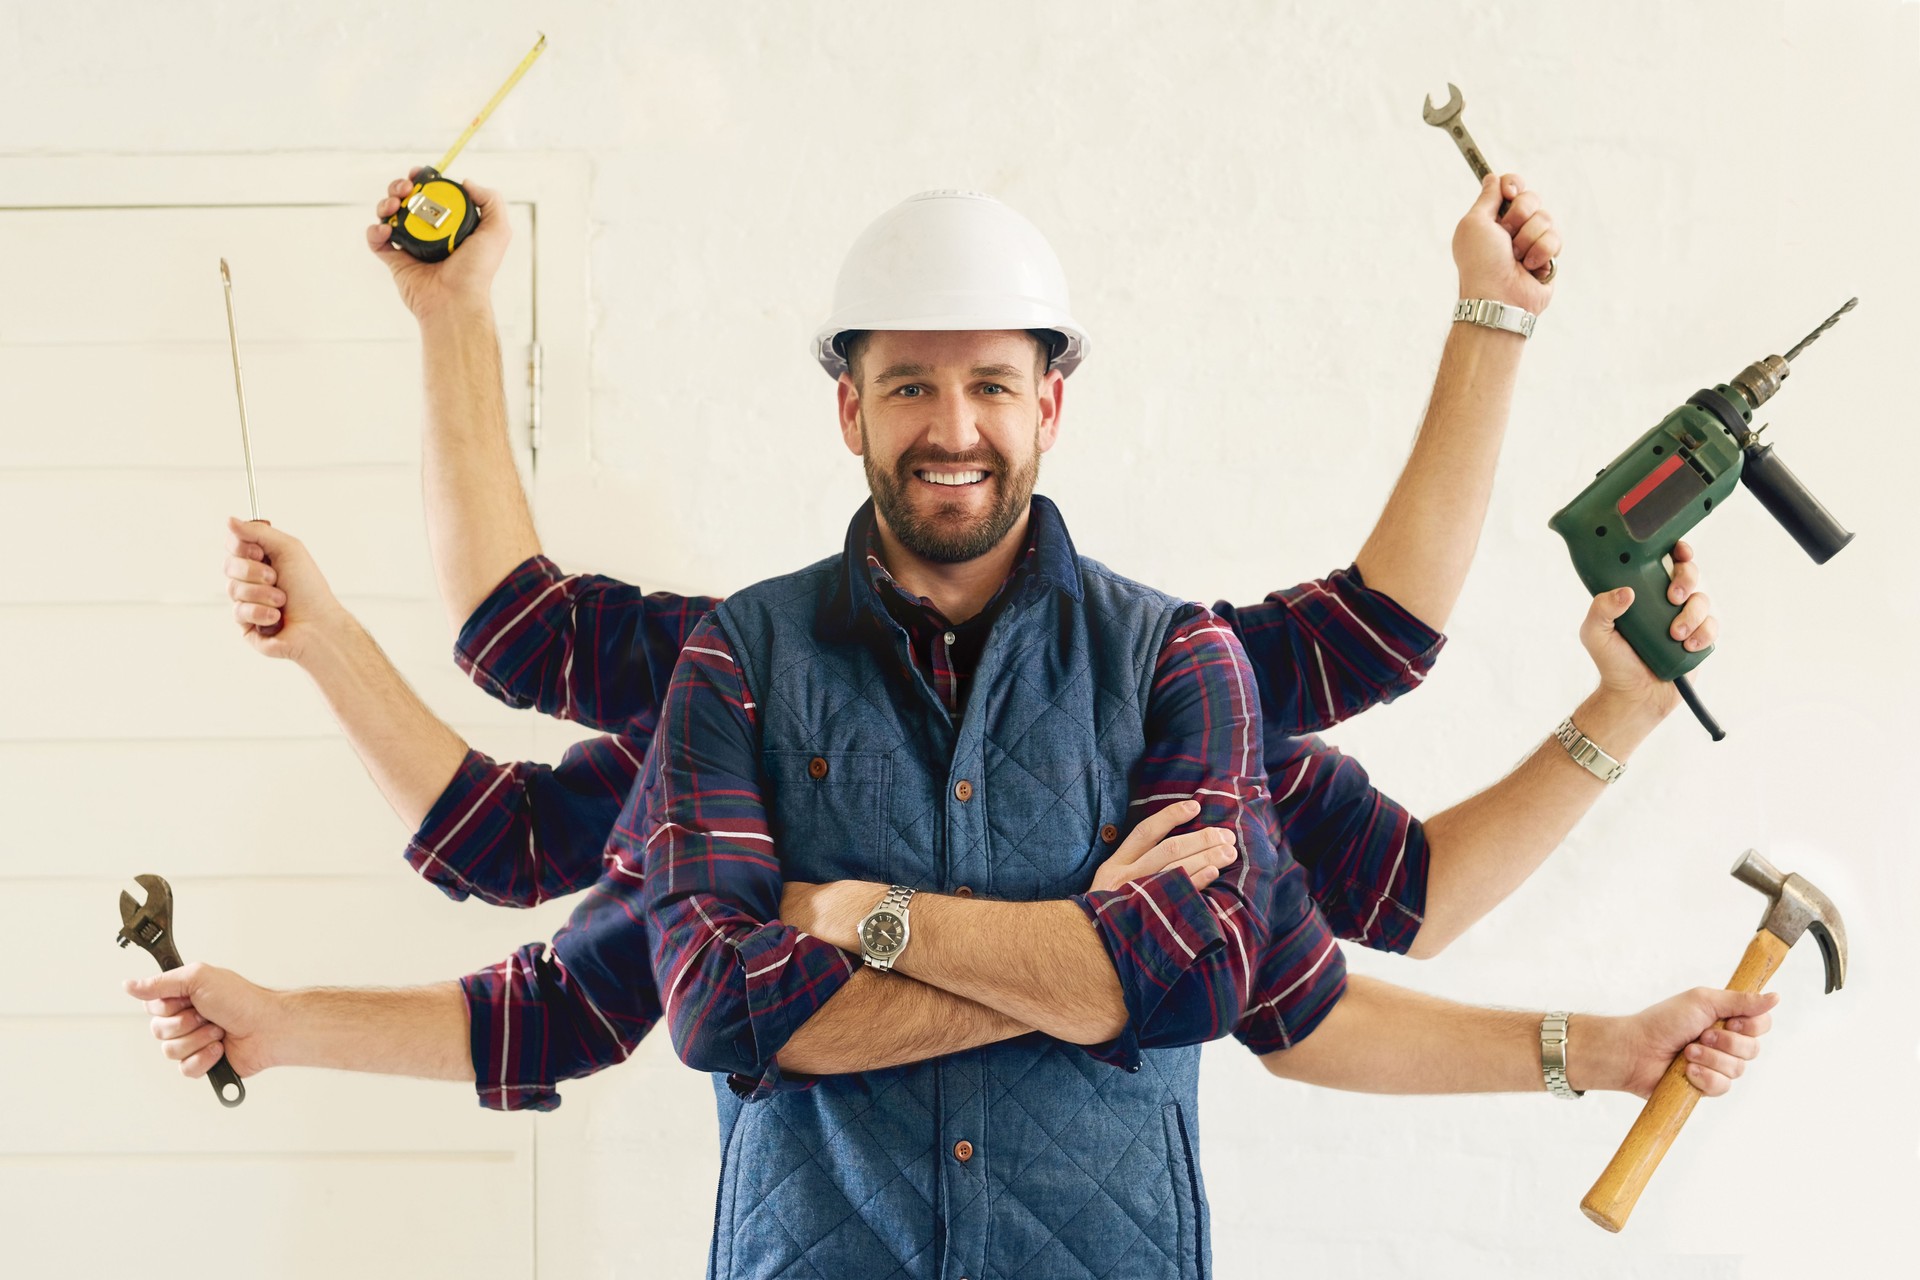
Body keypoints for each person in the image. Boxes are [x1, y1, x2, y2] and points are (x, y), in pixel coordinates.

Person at [131, 184, 1764, 1268]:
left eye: (993, 380)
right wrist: (1095, 961)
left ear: (1052, 399)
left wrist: (862, 927)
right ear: (849, 405)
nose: (954, 424)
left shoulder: (1173, 668)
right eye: (910, 383)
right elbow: (624, 958)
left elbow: (1325, 916)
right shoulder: (739, 670)